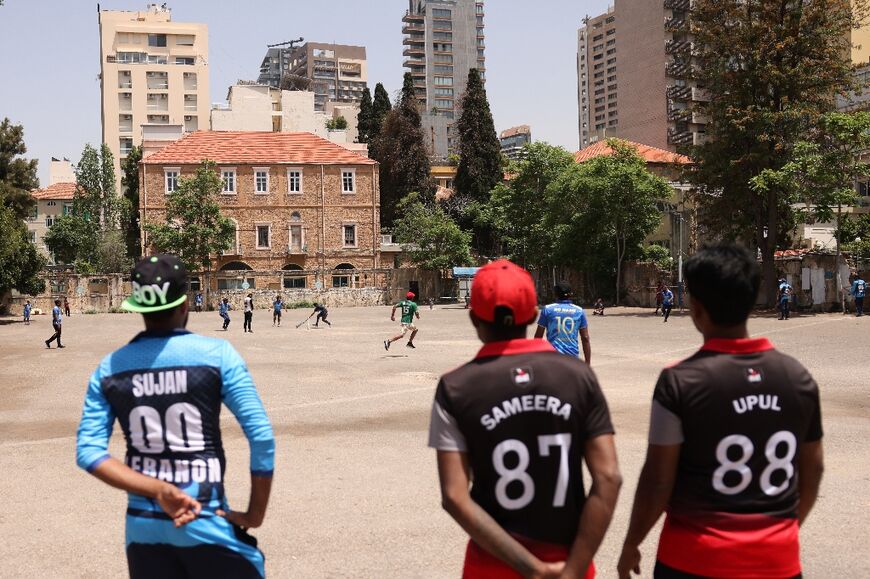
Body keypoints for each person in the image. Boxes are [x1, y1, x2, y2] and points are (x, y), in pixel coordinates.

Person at [617, 244, 824, 579]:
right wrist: (780, 535)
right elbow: (813, 470)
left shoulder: (680, 381)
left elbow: (658, 480)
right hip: (777, 563)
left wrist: (632, 542)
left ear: (696, 308)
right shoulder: (798, 378)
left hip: (692, 560)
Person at [75, 254, 275, 578]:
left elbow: (89, 453)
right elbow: (262, 436)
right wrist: (253, 515)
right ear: (185, 304)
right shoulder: (217, 356)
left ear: (139, 307)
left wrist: (157, 489)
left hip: (143, 528)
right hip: (203, 517)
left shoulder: (110, 368)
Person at [429, 259, 621, 579]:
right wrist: (574, 568)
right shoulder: (580, 378)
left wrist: (531, 569)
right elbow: (609, 478)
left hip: (490, 567)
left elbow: (454, 497)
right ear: (532, 315)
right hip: (569, 562)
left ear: (474, 318)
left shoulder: (455, 387)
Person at [535, 281, 592, 364]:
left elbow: (538, 337)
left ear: (556, 294)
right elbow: (585, 338)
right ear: (570, 294)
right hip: (572, 358)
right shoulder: (579, 311)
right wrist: (587, 364)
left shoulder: (547, 309)